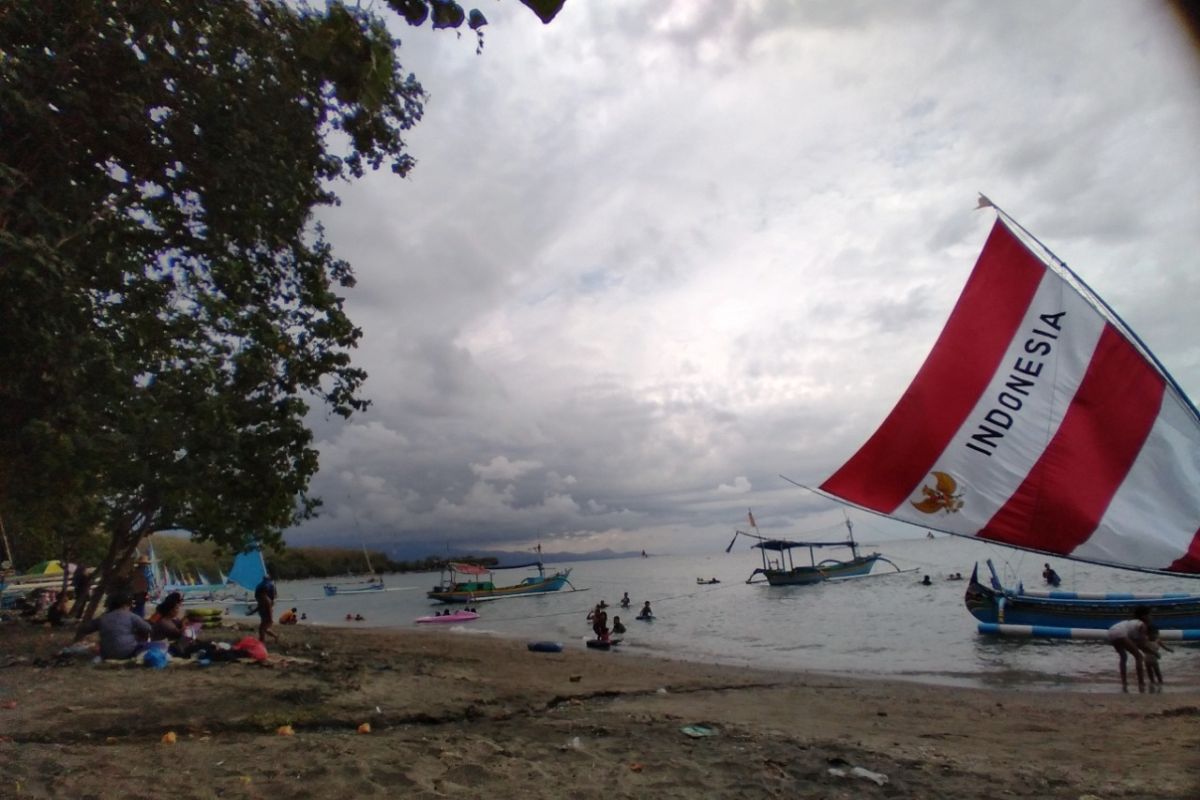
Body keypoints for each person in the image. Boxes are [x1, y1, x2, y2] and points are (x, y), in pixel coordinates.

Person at [72, 592, 152, 660]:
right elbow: (148, 628)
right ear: (126, 605)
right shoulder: (131, 616)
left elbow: (85, 628)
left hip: (107, 653)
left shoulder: (103, 617)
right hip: (128, 652)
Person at [1107, 607, 1152, 691]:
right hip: (1120, 633)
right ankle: (1141, 682)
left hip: (1111, 632)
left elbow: (1137, 644)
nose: (1151, 617)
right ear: (1144, 616)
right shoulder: (1142, 625)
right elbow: (1142, 645)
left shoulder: (1132, 623)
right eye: (1149, 615)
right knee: (1139, 657)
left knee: (1123, 657)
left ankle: (1124, 682)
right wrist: (1153, 652)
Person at [254, 574, 278, 643]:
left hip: (266, 608)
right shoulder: (262, 598)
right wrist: (251, 612)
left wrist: (270, 618)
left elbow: (269, 607)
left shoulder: (266, 599)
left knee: (262, 628)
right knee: (264, 628)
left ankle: (262, 641)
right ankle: (275, 636)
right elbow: (259, 606)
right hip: (263, 608)